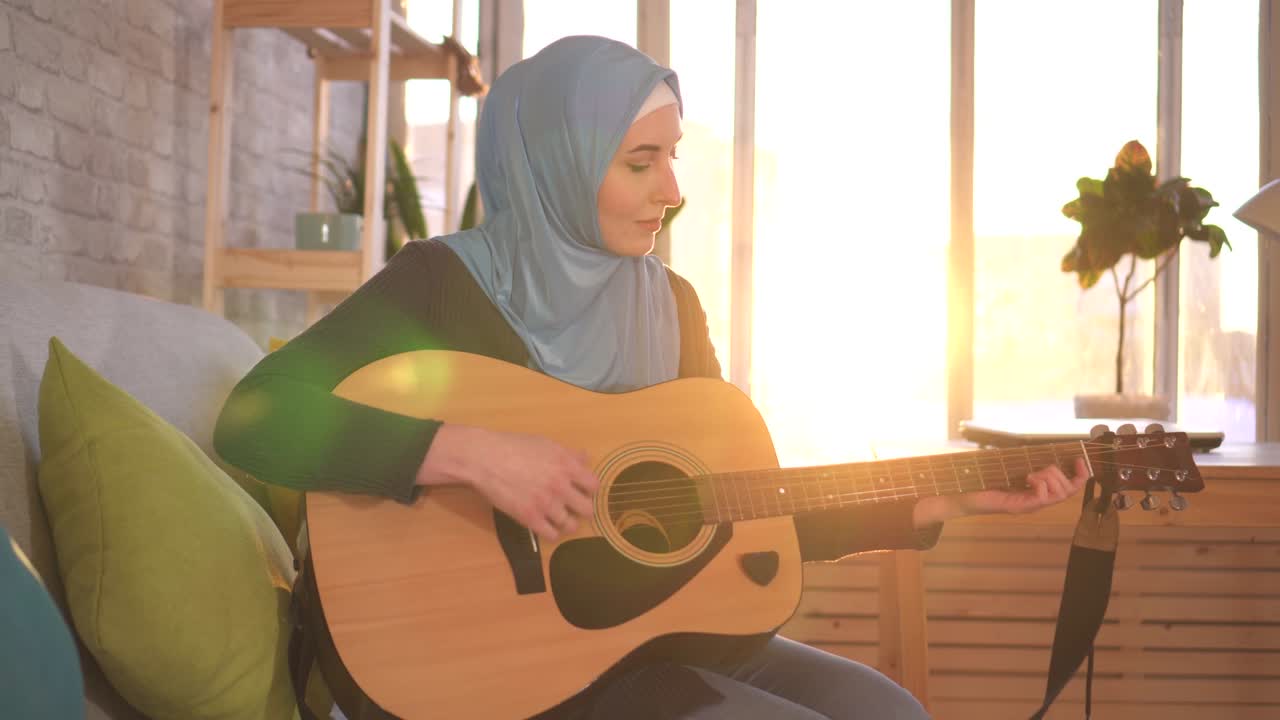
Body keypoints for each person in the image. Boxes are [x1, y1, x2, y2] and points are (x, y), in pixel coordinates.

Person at [214, 35, 1086, 720]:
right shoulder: (441, 282)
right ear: (557, 159)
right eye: (639, 160)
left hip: (636, 644)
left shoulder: (672, 305)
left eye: (674, 157)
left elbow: (733, 512)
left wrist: (941, 502)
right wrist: (470, 454)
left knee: (887, 710)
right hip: (453, 667)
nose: (671, 189)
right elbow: (257, 417)